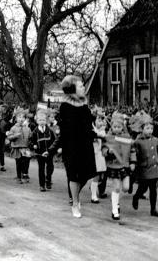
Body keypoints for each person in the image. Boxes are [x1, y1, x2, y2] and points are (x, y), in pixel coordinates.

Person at [48, 75, 97, 218]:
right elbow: (67, 130)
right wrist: (58, 147)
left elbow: (88, 126)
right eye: (81, 86)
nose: (84, 88)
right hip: (72, 147)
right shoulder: (66, 107)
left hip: (86, 146)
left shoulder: (85, 106)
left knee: (87, 174)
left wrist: (95, 133)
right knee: (74, 177)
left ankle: (75, 197)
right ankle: (75, 203)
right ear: (72, 89)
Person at [132, 114, 158, 217]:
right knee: (143, 188)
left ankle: (153, 209)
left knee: (153, 189)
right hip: (144, 169)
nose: (150, 130)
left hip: (155, 167)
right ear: (142, 129)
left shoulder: (155, 140)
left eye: (151, 128)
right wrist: (133, 164)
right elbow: (133, 154)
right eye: (147, 128)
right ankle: (136, 197)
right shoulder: (138, 142)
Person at [101, 112, 137, 220]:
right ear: (111, 127)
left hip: (125, 165)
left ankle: (116, 200)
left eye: (119, 127)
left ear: (123, 127)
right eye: (114, 126)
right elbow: (103, 150)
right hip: (114, 166)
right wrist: (108, 152)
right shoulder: (108, 137)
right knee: (116, 187)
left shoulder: (126, 137)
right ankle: (115, 210)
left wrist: (133, 162)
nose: (117, 129)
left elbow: (132, 150)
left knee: (126, 188)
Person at [29, 109, 56, 192]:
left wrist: (52, 150)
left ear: (46, 120)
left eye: (43, 120)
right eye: (40, 120)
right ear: (37, 121)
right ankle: (42, 185)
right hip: (40, 153)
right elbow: (30, 140)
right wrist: (33, 145)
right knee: (41, 168)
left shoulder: (50, 131)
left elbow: (54, 140)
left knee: (50, 167)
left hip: (48, 152)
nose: (42, 121)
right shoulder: (35, 132)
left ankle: (48, 180)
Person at [7, 107, 32, 184]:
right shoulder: (13, 128)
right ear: (16, 118)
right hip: (17, 148)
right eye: (19, 117)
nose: (21, 119)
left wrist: (31, 140)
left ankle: (24, 174)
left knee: (26, 162)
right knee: (18, 163)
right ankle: (18, 177)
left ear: (25, 119)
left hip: (25, 148)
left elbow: (31, 137)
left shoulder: (27, 128)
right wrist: (15, 136)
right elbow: (9, 137)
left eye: (23, 117)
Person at [90, 106, 107, 203]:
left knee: (101, 175)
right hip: (94, 154)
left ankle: (94, 186)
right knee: (96, 175)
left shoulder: (102, 130)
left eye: (102, 121)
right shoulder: (92, 130)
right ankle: (93, 195)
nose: (101, 123)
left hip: (101, 155)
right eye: (99, 120)